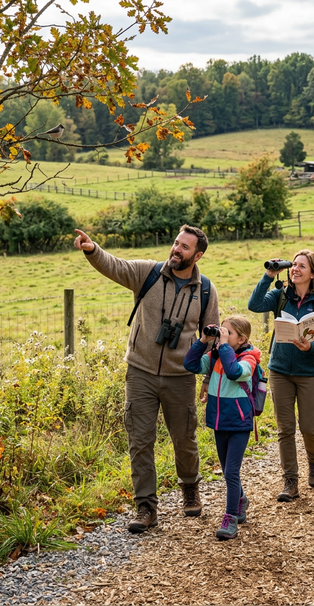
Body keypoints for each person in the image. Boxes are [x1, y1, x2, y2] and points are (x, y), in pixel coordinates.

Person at [74, 225, 219, 533]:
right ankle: (146, 508)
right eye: (176, 243)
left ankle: (190, 488)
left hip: (181, 376)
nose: (176, 249)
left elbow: (212, 336)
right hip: (139, 372)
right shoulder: (148, 274)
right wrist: (92, 249)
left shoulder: (205, 289)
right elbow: (114, 265)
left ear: (198, 254)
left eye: (184, 247)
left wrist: (207, 378)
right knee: (140, 441)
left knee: (185, 438)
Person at [248, 250, 314, 502]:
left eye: (301, 266)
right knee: (285, 429)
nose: (295, 269)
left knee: (308, 427)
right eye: (293, 265)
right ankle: (290, 481)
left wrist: (311, 347)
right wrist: (268, 276)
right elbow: (254, 305)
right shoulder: (279, 296)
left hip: (310, 373)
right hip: (280, 371)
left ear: (313, 273)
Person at [183, 315, 261, 540]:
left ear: (242, 338)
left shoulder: (249, 358)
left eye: (228, 333)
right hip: (220, 421)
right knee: (227, 469)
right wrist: (203, 340)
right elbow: (190, 364)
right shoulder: (216, 355)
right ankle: (241, 500)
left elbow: (234, 372)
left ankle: (230, 518)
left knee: (231, 472)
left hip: (239, 423)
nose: (222, 337)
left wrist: (223, 346)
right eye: (221, 332)